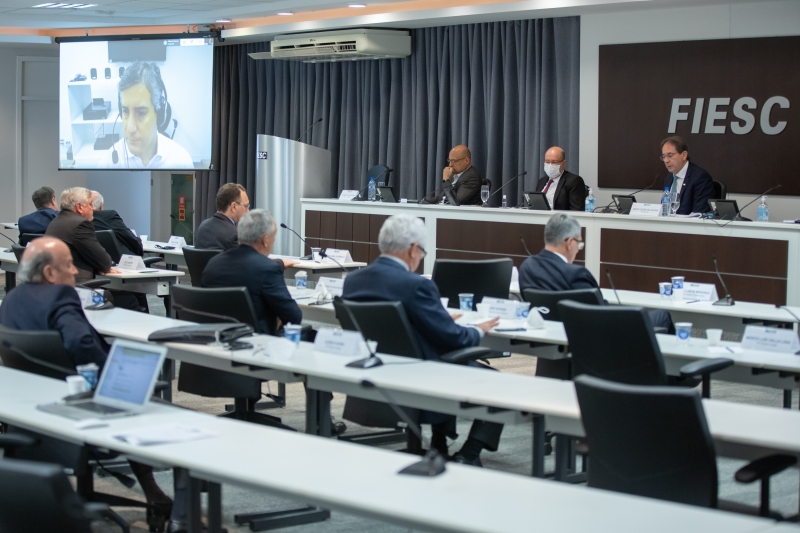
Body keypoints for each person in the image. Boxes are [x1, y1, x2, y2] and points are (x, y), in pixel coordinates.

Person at [0, 237, 174, 532]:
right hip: (79, 410)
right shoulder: (60, 297)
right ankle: (161, 497)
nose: (75, 270)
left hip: (30, 408)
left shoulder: (11, 300)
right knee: (144, 403)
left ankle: (153, 494)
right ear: (50, 274)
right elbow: (80, 342)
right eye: (68, 264)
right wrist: (112, 377)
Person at [342, 214, 502, 466]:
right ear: (413, 249)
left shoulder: (353, 280)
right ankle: (469, 455)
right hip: (421, 372)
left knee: (440, 352)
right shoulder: (416, 285)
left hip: (378, 366)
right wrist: (479, 329)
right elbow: (453, 338)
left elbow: (398, 325)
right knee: (497, 380)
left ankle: (439, 443)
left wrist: (440, 317)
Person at [519, 213, 674, 330]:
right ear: (570, 242)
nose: (578, 250)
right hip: (598, 336)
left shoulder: (527, 267)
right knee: (662, 315)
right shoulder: (576, 274)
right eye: (579, 244)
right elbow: (600, 314)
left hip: (554, 331)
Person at [201, 209, 301, 335]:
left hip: (215, 340)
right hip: (255, 345)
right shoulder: (268, 268)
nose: (274, 241)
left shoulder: (213, 264)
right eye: (273, 237)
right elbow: (294, 316)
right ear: (265, 240)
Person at [99, 62, 193, 169]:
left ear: (159, 113)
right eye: (125, 111)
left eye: (141, 113)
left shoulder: (181, 160)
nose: (130, 129)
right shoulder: (107, 163)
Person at [45, 187, 117, 284]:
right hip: (79, 288)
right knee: (128, 297)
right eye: (90, 204)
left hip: (56, 285)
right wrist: (101, 266)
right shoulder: (81, 224)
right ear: (79, 207)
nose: (93, 208)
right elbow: (104, 262)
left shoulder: (56, 221)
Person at [661, 136, 715, 215]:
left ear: (684, 155)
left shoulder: (700, 177)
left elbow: (699, 213)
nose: (666, 160)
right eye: (664, 156)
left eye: (670, 155)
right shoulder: (669, 176)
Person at [195, 183, 250, 251]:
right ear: (234, 207)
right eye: (246, 206)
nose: (248, 211)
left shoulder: (202, 227)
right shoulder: (234, 235)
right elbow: (243, 261)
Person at [90, 191, 144, 256]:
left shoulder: (78, 220)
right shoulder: (108, 216)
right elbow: (129, 238)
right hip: (119, 263)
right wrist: (139, 247)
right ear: (101, 206)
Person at [533, 147, 587, 211]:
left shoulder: (574, 181)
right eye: (547, 162)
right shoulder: (541, 181)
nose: (550, 165)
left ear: (563, 163)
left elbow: (576, 210)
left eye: (554, 162)